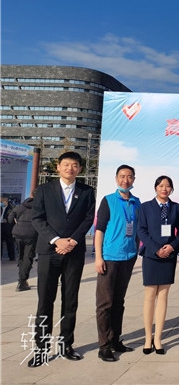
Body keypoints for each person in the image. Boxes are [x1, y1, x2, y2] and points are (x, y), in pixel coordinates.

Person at [28, 151, 96, 367]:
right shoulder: (44, 190)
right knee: (45, 301)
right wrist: (57, 240)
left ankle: (66, 345)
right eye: (66, 164)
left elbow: (88, 219)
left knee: (70, 301)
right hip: (49, 252)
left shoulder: (87, 191)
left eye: (75, 165)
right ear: (58, 167)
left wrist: (73, 241)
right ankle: (41, 349)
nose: (70, 168)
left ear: (80, 169)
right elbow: (37, 218)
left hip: (74, 253)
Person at [94, 165, 141, 362]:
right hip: (110, 258)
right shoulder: (108, 200)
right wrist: (98, 257)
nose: (125, 180)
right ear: (116, 178)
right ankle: (104, 346)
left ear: (133, 179)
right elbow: (99, 230)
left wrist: (135, 251)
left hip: (128, 258)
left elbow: (138, 228)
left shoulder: (136, 202)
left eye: (129, 177)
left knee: (119, 302)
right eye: (122, 176)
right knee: (105, 303)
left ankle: (115, 340)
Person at [137, 175, 179, 355]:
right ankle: (147, 337)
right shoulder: (146, 207)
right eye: (161, 185)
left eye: (168, 186)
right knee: (150, 295)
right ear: (155, 188)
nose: (164, 189)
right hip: (151, 255)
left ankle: (158, 338)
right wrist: (156, 249)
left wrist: (172, 246)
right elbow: (141, 230)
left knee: (163, 295)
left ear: (171, 189)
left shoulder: (176, 208)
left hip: (168, 256)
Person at [8, 191, 38, 291]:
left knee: (21, 257)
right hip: (31, 234)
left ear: (31, 195)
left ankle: (21, 279)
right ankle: (22, 281)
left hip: (18, 233)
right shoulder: (39, 207)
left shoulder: (20, 207)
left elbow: (10, 219)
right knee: (28, 257)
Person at [1, 196, 16, 261]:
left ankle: (12, 257)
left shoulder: (12, 208)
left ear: (6, 201)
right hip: (1, 227)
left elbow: (15, 218)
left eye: (1, 202)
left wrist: (7, 220)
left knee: (10, 243)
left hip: (8, 227)